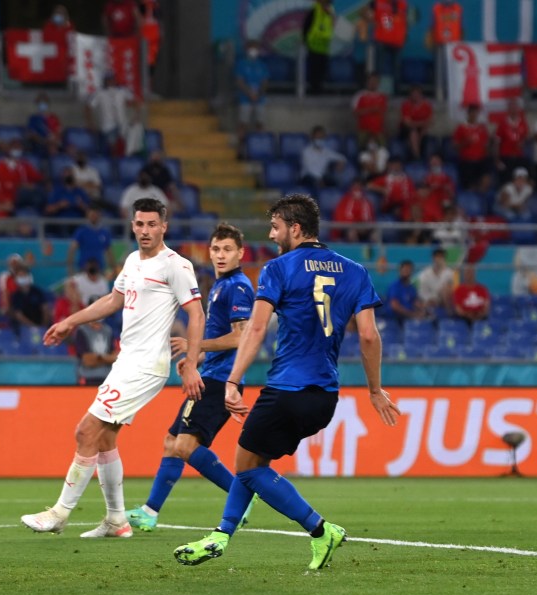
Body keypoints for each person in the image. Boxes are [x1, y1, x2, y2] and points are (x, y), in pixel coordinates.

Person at [173, 193, 399, 569]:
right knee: (252, 459)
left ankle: (320, 529)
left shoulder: (279, 269)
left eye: (276, 226)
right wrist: (375, 390)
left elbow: (256, 328)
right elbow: (370, 336)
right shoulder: (355, 271)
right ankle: (221, 536)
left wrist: (232, 380)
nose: (272, 232)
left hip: (287, 388)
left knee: (247, 466)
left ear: (295, 228)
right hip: (325, 396)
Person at [20, 197, 205, 539]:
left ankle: (59, 513)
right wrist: (70, 322)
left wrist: (191, 363)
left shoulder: (175, 265)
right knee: (104, 438)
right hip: (127, 360)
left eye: (152, 224)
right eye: (140, 224)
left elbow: (196, 313)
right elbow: (112, 300)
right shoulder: (133, 260)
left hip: (147, 364)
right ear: (132, 225)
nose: (145, 230)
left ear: (164, 226)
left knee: (84, 431)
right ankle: (117, 521)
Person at [125, 223, 257, 533]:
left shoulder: (238, 287)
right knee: (172, 442)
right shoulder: (220, 286)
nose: (220, 255)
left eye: (227, 249)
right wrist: (195, 358)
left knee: (183, 445)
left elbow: (240, 338)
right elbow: (220, 336)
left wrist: (194, 346)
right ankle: (149, 511)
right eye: (215, 249)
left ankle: (242, 494)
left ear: (240, 253)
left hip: (221, 380)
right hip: (211, 372)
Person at [85, 72, 137, 157]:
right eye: (108, 80)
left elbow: (135, 102)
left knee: (127, 148)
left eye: (111, 79)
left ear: (115, 80)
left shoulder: (122, 91)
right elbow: (88, 106)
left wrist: (135, 117)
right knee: (112, 148)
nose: (110, 82)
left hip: (122, 125)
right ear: (104, 81)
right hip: (107, 126)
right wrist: (90, 123)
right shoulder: (99, 93)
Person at [234, 40, 269, 157]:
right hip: (245, 98)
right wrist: (249, 93)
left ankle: (259, 149)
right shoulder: (241, 64)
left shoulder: (262, 65)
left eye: (256, 48)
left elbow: (265, 82)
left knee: (260, 123)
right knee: (243, 124)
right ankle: (241, 150)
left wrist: (258, 94)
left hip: (260, 99)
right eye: (251, 48)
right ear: (246, 49)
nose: (253, 51)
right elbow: (239, 81)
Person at [452, 104, 491, 192]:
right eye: (472, 112)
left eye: (476, 113)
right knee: (470, 185)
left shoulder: (482, 128)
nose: (474, 115)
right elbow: (454, 146)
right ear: (468, 114)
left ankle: (481, 196)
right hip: (467, 161)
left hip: (481, 160)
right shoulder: (461, 128)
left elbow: (486, 145)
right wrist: (465, 143)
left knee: (486, 178)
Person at [0, 140, 44, 209]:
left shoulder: (24, 164)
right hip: (11, 193)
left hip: (26, 192)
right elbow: (5, 183)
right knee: (32, 194)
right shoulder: (2, 165)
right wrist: (21, 185)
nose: (17, 150)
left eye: (19, 148)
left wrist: (44, 177)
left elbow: (35, 176)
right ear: (9, 150)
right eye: (15, 148)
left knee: (41, 192)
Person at [67, 206, 115, 277]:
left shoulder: (105, 233)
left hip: (99, 270)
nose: (94, 217)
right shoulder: (81, 232)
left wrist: (113, 269)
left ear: (100, 215)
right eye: (92, 215)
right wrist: (70, 269)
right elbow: (72, 250)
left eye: (96, 215)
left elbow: (109, 252)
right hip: (83, 269)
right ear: (87, 215)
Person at [44, 168, 90, 237]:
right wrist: (59, 205)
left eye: (70, 175)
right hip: (62, 222)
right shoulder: (57, 192)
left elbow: (89, 211)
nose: (68, 177)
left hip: (77, 221)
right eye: (66, 176)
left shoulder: (80, 192)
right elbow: (48, 210)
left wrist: (81, 205)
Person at [493, 98, 529, 185]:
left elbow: (527, 136)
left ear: (518, 109)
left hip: (518, 157)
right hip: (506, 157)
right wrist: (497, 160)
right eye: (511, 107)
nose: (513, 109)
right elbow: (497, 143)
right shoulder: (502, 123)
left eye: (515, 107)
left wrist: (523, 141)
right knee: (505, 182)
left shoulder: (523, 122)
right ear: (508, 109)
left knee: (519, 181)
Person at [302, 0, 334, 95]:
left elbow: (330, 27)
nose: (327, 4)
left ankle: (320, 89)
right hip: (314, 45)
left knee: (322, 69)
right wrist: (305, 40)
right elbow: (306, 25)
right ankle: (314, 90)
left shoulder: (331, 12)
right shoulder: (314, 10)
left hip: (325, 46)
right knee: (314, 70)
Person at [371, 0, 408, 85]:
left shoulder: (402, 4)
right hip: (382, 39)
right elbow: (373, 17)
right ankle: (377, 91)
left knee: (396, 69)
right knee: (379, 68)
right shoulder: (378, 2)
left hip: (397, 40)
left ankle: (396, 92)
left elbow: (404, 20)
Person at [300, 126, 346, 190]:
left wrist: (341, 162)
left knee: (334, 182)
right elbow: (310, 169)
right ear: (313, 137)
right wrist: (319, 180)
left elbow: (341, 157)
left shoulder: (326, 151)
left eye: (321, 137)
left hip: (322, 178)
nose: (319, 139)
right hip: (309, 177)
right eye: (317, 137)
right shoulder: (306, 152)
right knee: (313, 182)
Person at [74, 319, 117, 386]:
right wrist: (107, 359)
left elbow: (114, 358)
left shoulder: (108, 330)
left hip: (108, 377)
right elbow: (87, 361)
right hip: (88, 377)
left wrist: (99, 358)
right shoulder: (81, 331)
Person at [8, 263, 51, 330]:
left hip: (41, 326)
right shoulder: (15, 296)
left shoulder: (37, 292)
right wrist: (33, 327)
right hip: (24, 329)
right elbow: (18, 315)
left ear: (29, 276)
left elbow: (45, 309)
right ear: (16, 279)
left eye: (24, 275)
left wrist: (43, 326)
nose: (23, 278)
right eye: (20, 276)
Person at [352, 73, 388, 147]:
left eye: (375, 81)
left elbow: (382, 113)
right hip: (364, 130)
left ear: (378, 83)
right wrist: (371, 109)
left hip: (378, 131)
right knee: (363, 153)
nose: (373, 83)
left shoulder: (382, 96)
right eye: (371, 81)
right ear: (367, 82)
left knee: (382, 152)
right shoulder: (359, 95)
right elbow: (355, 113)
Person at [398, 85, 432, 161]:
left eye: (417, 94)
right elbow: (407, 123)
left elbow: (429, 122)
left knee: (423, 131)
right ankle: (417, 157)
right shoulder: (406, 105)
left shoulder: (427, 106)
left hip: (421, 130)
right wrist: (421, 123)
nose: (415, 96)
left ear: (421, 95)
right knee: (413, 132)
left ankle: (419, 155)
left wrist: (416, 123)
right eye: (413, 94)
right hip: (405, 130)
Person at [417, 247, 455, 315]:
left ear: (444, 259)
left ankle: (450, 314)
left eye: (441, 256)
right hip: (430, 300)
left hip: (444, 300)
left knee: (446, 289)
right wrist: (430, 299)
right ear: (433, 258)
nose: (439, 259)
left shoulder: (450, 273)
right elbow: (422, 290)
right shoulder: (425, 273)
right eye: (437, 256)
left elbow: (452, 289)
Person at [26, 92, 63, 156]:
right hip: (39, 144)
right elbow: (31, 134)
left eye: (44, 102)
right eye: (40, 102)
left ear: (48, 104)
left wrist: (53, 140)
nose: (42, 104)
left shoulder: (53, 117)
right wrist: (44, 141)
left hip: (52, 143)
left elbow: (59, 132)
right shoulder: (33, 118)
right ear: (37, 104)